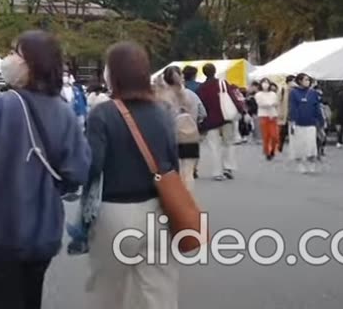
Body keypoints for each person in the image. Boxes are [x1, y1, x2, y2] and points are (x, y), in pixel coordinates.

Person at [0, 30, 90, 309]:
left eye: (14, 53)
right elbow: (78, 172)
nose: (7, 59)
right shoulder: (64, 112)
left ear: (31, 63)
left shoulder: (1, 104)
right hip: (43, 231)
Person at [87, 42, 181, 309]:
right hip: (158, 209)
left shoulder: (102, 114)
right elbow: (171, 161)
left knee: (106, 290)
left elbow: (92, 166)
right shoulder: (161, 112)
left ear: (112, 74)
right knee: (160, 292)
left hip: (114, 211)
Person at [155, 65, 205, 193]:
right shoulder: (191, 95)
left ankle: (176, 199)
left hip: (170, 138)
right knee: (188, 172)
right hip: (190, 136)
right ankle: (188, 198)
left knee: (171, 172)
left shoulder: (160, 97)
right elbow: (202, 114)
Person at [196, 63, 245, 180]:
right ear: (215, 71)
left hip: (210, 120)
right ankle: (228, 167)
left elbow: (201, 106)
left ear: (204, 73)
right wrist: (240, 110)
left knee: (214, 146)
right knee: (229, 143)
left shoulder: (201, 88)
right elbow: (233, 98)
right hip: (226, 117)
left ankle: (217, 172)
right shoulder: (222, 83)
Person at [288, 74, 322, 174]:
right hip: (298, 122)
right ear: (299, 81)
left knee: (311, 144)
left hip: (311, 122)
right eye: (305, 80)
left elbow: (317, 107)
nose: (307, 81)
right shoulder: (294, 92)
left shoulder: (313, 93)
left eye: (308, 80)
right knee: (299, 145)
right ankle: (300, 164)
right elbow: (292, 107)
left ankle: (311, 162)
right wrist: (292, 120)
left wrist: (320, 121)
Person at [253, 79, 281, 161]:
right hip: (263, 115)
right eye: (264, 83)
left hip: (273, 115)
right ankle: (267, 152)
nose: (265, 85)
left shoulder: (273, 94)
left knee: (274, 135)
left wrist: (272, 105)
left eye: (267, 83)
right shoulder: (258, 94)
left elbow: (276, 103)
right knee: (266, 136)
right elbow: (260, 104)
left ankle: (272, 149)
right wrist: (270, 104)